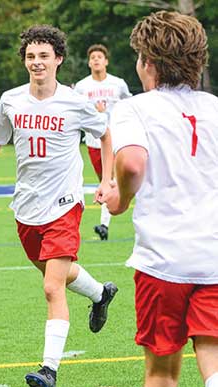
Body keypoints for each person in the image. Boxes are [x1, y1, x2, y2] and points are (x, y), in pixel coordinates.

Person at [0, 25, 118, 387]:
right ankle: (99, 294)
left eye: (44, 56)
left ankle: (49, 370)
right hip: (27, 206)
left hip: (64, 205)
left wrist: (107, 181)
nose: (37, 62)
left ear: (58, 59)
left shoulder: (76, 101)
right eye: (31, 56)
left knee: (51, 286)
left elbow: (106, 135)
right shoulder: (11, 100)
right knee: (56, 272)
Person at [101, 12, 218, 387]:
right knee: (214, 360)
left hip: (164, 261)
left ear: (148, 63)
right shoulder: (214, 106)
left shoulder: (135, 108)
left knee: (161, 370)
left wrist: (120, 200)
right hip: (214, 256)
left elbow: (130, 161)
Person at [73, 44, 131, 241]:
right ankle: (107, 220)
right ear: (89, 62)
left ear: (106, 61)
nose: (96, 60)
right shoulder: (82, 87)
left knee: (111, 179)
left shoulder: (118, 84)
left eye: (100, 57)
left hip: (114, 139)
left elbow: (127, 104)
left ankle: (104, 224)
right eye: (93, 57)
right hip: (93, 140)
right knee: (104, 180)